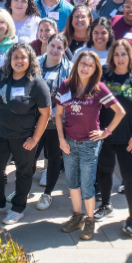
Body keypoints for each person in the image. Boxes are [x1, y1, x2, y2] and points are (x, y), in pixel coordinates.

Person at [54, 50, 123, 239]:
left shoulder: (99, 88)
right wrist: (61, 139)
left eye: (90, 65)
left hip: (89, 145)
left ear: (96, 69)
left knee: (86, 184)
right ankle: (77, 217)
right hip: (68, 143)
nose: (85, 68)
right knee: (72, 182)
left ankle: (90, 220)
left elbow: (120, 112)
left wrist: (105, 133)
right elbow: (58, 114)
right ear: (76, 65)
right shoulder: (65, 86)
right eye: (82, 64)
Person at [0, 43, 51, 224]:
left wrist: (35, 138)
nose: (19, 61)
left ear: (30, 60)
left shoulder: (36, 83)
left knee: (23, 172)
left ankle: (18, 208)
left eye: (23, 57)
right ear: (9, 58)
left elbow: (45, 113)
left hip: (23, 137)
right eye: (15, 57)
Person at [95, 40, 132, 233]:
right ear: (112, 56)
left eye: (124, 54)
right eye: (117, 54)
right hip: (105, 136)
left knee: (131, 177)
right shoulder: (103, 75)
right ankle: (105, 205)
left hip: (129, 139)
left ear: (130, 56)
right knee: (104, 171)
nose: (120, 59)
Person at [36, 33, 73, 207]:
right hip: (34, 121)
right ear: (47, 45)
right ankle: (23, 189)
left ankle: (47, 193)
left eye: (59, 47)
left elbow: (74, 96)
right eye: (53, 46)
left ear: (64, 50)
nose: (55, 50)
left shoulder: (70, 70)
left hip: (55, 121)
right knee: (28, 156)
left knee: (53, 158)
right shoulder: (34, 64)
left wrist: (57, 109)